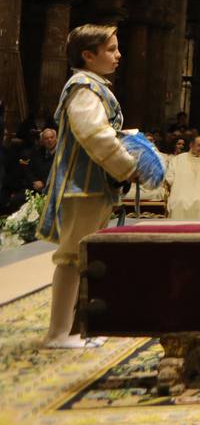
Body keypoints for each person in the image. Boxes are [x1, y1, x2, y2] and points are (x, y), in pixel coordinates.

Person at [37, 24, 140, 348]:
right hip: (80, 186)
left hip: (92, 186)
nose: (118, 54)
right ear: (88, 55)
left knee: (85, 256)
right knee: (71, 257)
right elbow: (94, 134)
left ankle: (77, 327)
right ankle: (58, 332)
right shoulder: (83, 87)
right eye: (111, 49)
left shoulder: (94, 86)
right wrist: (127, 165)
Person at [166, 134, 200, 220]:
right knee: (179, 201)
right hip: (182, 192)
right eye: (199, 146)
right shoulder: (179, 159)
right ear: (191, 145)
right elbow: (170, 178)